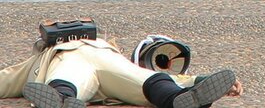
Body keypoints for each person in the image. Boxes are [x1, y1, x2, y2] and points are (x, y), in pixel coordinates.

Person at [0, 26, 241, 107]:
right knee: (151, 82)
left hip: (68, 61)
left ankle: (60, 100)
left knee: (66, 83)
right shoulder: (112, 52)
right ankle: (175, 100)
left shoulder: (42, 57)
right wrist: (203, 80)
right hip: (108, 63)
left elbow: (7, 79)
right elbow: (182, 78)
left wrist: (207, 82)